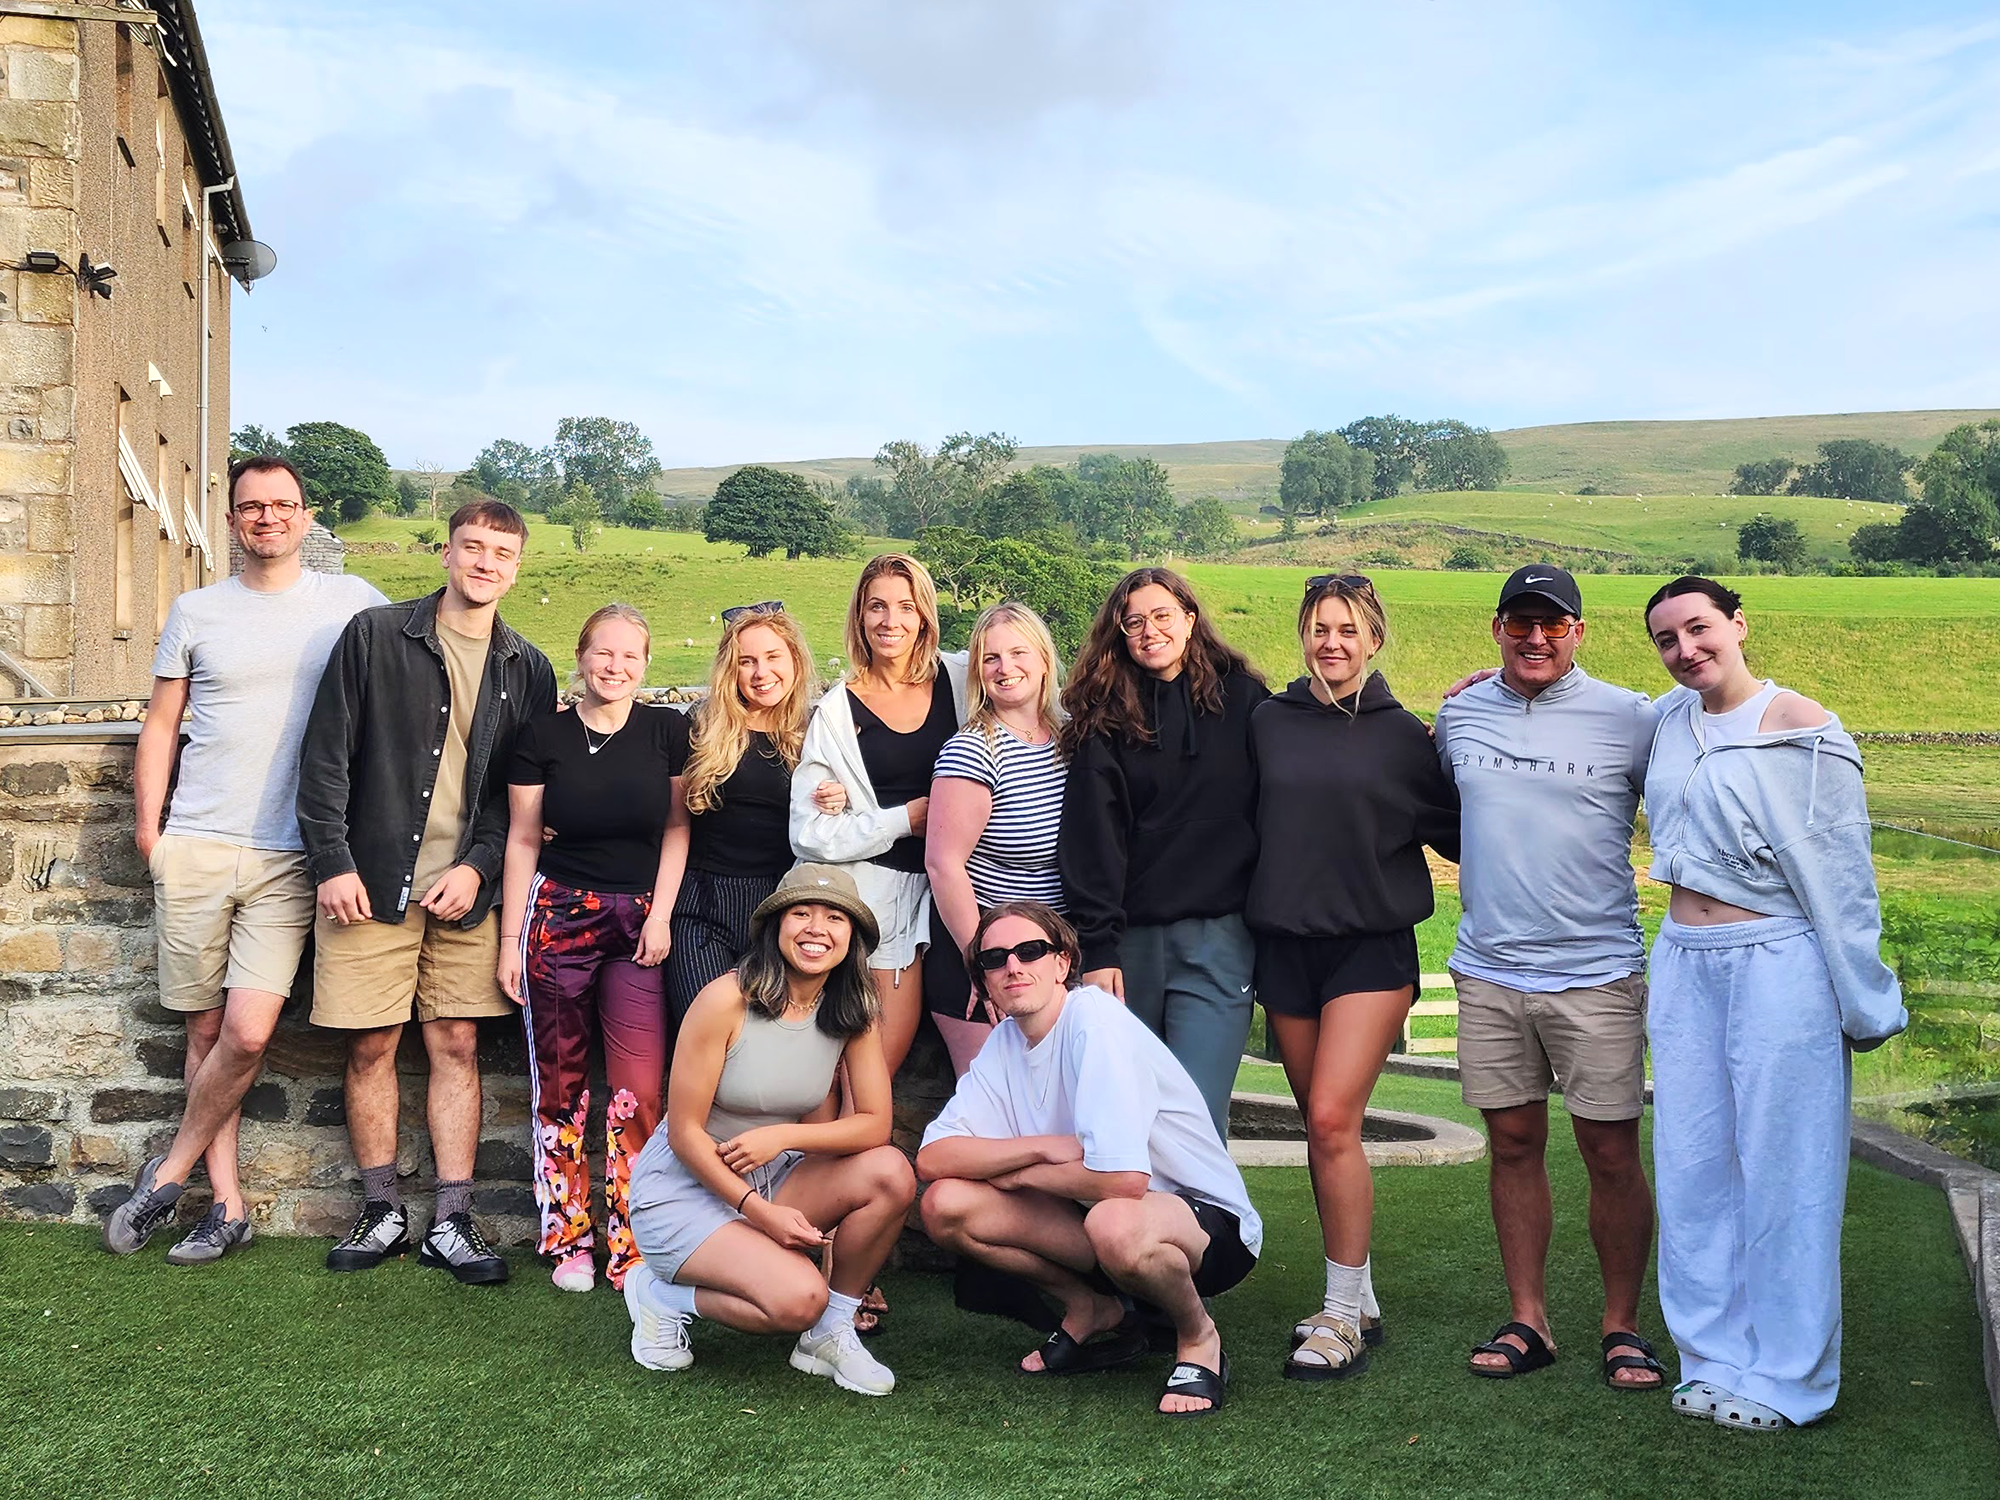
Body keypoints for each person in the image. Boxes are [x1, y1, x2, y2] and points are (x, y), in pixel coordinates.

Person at [103, 456, 387, 1263]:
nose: (268, 516)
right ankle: (226, 1205)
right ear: (232, 520)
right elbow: (162, 724)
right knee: (203, 1028)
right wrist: (150, 832)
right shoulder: (197, 610)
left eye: (283, 504)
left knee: (249, 1032)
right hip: (196, 842)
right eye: (252, 506)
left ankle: (168, 1173)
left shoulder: (354, 603)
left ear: (306, 515)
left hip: (291, 853)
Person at [1642, 576, 1905, 1431]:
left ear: (1739, 624)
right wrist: (1488, 685)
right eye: (1667, 639)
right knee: (1692, 1167)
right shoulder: (1667, 720)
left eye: (1699, 628)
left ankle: (1791, 1377)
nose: (1686, 649)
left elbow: (1844, 878)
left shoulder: (1803, 728)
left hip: (1778, 964)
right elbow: (1588, 709)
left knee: (1787, 1169)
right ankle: (1713, 1355)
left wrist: (1862, 1000)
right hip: (1685, 963)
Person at [297, 499, 557, 1284]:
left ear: (517, 568)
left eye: (501, 553)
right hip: (369, 880)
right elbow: (324, 757)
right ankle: (380, 1212)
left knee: (457, 1044)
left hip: (465, 892)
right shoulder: (375, 636)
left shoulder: (529, 667)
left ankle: (452, 1221)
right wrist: (332, 860)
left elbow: (522, 799)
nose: (485, 563)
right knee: (371, 1043)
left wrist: (478, 865)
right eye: (472, 547)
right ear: (446, 552)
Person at [1433, 566, 1666, 1390]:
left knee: (1610, 1150)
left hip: (1597, 972)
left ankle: (1622, 1325)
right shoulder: (1458, 714)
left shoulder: (1633, 718)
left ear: (1579, 631)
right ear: (1497, 627)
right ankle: (1528, 1319)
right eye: (1521, 623)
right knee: (1512, 1144)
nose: (1537, 638)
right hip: (1489, 970)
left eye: (1554, 625)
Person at [917, 901, 1262, 1419]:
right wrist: (1039, 1147)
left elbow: (1124, 1180)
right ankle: (1092, 1307)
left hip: (1208, 1225)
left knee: (1115, 1223)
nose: (1013, 966)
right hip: (1096, 1215)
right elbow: (933, 1157)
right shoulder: (1005, 1043)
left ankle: (1197, 1335)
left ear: (1063, 963)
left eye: (1030, 951)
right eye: (994, 959)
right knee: (945, 1204)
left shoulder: (1093, 1021)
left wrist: (1018, 1174)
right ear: (983, 980)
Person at [1247, 574, 1459, 1381]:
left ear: (1374, 638)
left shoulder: (1405, 736)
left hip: (1370, 950)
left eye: (1347, 630)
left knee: (1334, 1118)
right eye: (1318, 628)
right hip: (1284, 948)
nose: (1331, 642)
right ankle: (1357, 1295)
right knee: (1319, 1125)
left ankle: (1340, 1319)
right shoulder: (1268, 722)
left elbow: (1465, 830)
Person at [620, 865, 916, 1396]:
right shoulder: (725, 1000)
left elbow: (875, 1125)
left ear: (852, 937)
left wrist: (784, 1138)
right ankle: (659, 1295)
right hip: (685, 1187)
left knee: (891, 1172)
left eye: (835, 918)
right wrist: (760, 1213)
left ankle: (830, 1332)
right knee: (798, 1299)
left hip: (771, 1171)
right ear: (775, 926)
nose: (816, 929)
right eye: (801, 913)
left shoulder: (853, 1010)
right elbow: (685, 1132)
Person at [498, 603, 688, 1293]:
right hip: (557, 919)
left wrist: (662, 915)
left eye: (630, 655)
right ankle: (568, 1239)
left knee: (638, 1091)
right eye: (604, 652)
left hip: (640, 923)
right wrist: (509, 941)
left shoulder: (669, 731)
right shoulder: (541, 735)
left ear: (647, 663)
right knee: (561, 1083)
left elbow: (677, 829)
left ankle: (632, 1246)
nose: (616, 666)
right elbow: (523, 838)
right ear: (580, 657)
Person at [1058, 567, 1267, 1135]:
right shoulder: (1104, 719)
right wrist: (1099, 949)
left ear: (1190, 620)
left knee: (1196, 1114)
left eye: (1161, 616)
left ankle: (1210, 1201)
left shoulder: (1245, 700)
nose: (1149, 631)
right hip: (1130, 947)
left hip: (1219, 941)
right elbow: (1091, 840)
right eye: (1133, 623)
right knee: (1129, 1118)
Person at [790, 554, 967, 1077]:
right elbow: (808, 833)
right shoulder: (837, 711)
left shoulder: (961, 679)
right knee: (848, 1072)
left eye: (906, 607)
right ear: (860, 617)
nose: (891, 621)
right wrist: (903, 820)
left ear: (925, 615)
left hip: (960, 888)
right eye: (877, 607)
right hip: (874, 899)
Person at [663, 603, 842, 1018]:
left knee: (767, 1035)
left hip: (782, 909)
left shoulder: (817, 731)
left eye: (773, 657)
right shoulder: (701, 726)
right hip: (702, 906)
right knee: (704, 1027)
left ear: (795, 659)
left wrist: (839, 797)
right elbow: (663, 812)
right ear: (731, 669)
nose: (761, 673)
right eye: (747, 661)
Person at [923, 601, 1068, 1074]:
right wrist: (983, 965)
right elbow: (943, 864)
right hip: (985, 952)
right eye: (991, 658)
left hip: (1050, 952)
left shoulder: (1071, 740)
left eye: (1018, 653)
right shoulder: (973, 749)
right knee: (997, 1103)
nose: (1005, 668)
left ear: (1044, 659)